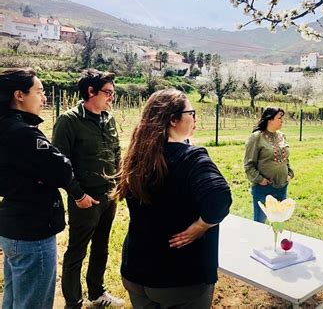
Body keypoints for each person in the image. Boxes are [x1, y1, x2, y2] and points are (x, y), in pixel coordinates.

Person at [112, 89, 232, 308]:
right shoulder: (192, 158)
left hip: (136, 271)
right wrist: (202, 225)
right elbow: (219, 197)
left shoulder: (136, 156)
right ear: (173, 119)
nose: (195, 118)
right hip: (180, 278)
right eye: (191, 113)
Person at [0, 68, 73, 308]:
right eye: (40, 92)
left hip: (13, 227)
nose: (44, 99)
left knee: (13, 300)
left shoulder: (5, 127)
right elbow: (63, 170)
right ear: (19, 95)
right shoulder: (23, 134)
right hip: (33, 232)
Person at [52, 70, 124, 308]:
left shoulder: (108, 118)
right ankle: (73, 302)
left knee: (101, 247)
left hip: (109, 197)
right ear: (90, 92)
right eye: (108, 93)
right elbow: (60, 163)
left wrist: (120, 183)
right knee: (77, 251)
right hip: (84, 199)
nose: (111, 98)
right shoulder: (69, 121)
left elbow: (116, 153)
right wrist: (78, 195)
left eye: (113, 93)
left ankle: (97, 293)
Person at [244, 107, 294, 223]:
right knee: (260, 223)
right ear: (269, 119)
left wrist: (289, 173)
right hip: (263, 188)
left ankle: (275, 242)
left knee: (279, 224)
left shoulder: (282, 136)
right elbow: (248, 164)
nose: (282, 121)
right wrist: (260, 180)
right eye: (279, 118)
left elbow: (286, 158)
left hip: (282, 186)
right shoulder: (256, 137)